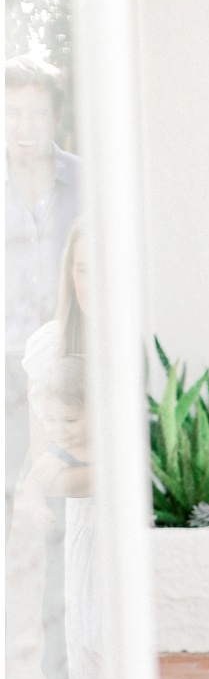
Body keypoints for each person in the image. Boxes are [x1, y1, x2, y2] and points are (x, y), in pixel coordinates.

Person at [6, 54, 82, 525]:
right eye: (12, 111)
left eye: (36, 112)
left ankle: (63, 601)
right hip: (4, 361)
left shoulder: (86, 181)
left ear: (55, 116)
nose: (24, 124)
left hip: (65, 358)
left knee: (61, 487)